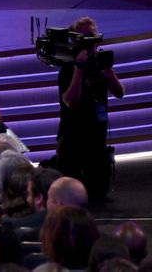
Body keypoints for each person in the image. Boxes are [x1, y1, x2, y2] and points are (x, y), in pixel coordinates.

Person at [56, 16, 124, 199]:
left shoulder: (100, 62)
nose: (91, 42)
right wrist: (79, 69)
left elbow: (119, 93)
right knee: (72, 195)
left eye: (94, 36)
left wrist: (109, 74)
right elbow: (70, 101)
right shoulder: (68, 68)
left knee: (98, 192)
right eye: (86, 37)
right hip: (73, 136)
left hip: (97, 134)